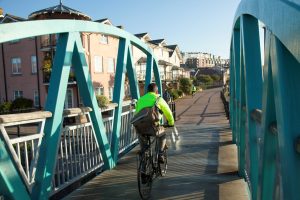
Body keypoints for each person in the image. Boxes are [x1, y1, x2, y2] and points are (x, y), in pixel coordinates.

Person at [135, 83, 174, 162]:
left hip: (140, 126)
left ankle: (143, 162)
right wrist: (171, 123)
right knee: (162, 135)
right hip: (153, 126)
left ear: (147, 91)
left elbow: (136, 114)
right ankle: (160, 153)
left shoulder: (140, 99)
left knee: (142, 139)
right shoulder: (159, 99)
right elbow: (168, 113)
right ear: (156, 91)